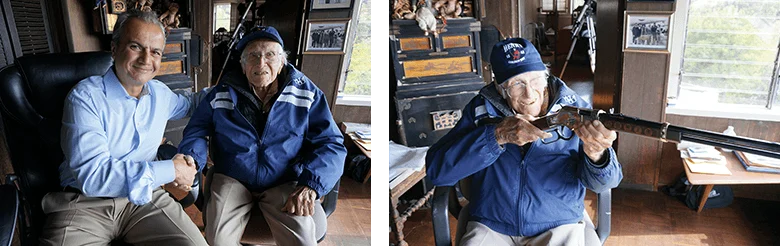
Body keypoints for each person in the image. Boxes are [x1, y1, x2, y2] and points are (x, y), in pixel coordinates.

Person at [426, 37, 623, 246]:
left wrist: (597, 155)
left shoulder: (574, 108)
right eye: (517, 84)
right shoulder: (480, 110)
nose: (530, 94)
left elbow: (606, 183)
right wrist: (496, 136)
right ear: (500, 87)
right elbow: (438, 171)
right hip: (493, 223)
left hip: (559, 223)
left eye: (536, 80)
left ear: (546, 76)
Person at [40, 9, 208, 245]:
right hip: (86, 203)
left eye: (156, 52)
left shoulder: (160, 94)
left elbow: (194, 103)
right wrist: (172, 170)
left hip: (145, 200)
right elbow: (94, 176)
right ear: (115, 48)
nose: (146, 59)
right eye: (136, 47)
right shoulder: (85, 98)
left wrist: (238, 84)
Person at [178, 26, 346, 245]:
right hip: (232, 177)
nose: (260, 64)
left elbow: (331, 143)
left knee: (303, 239)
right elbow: (197, 130)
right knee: (218, 239)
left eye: (270, 55)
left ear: (282, 61)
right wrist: (191, 158)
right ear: (242, 64)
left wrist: (311, 185)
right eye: (253, 56)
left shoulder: (307, 93)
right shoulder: (221, 92)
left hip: (284, 180)